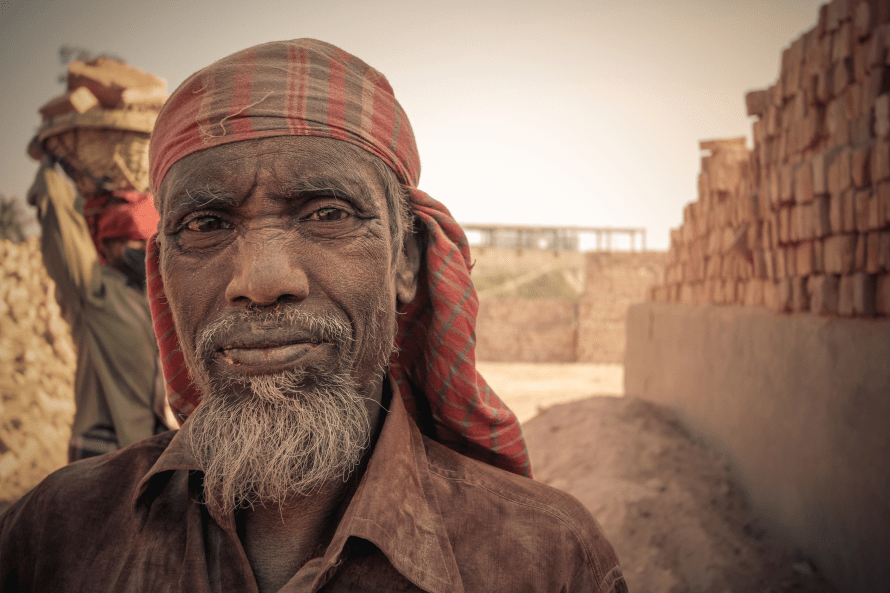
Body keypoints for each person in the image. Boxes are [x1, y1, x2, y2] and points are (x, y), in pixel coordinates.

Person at [1, 39, 627, 592]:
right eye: (206, 224)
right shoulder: (53, 534)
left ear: (406, 259)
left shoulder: (546, 561)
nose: (262, 282)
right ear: (163, 272)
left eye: (328, 214)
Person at [26, 152, 170, 461]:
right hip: (102, 453)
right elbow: (60, 225)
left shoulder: (155, 299)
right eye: (132, 243)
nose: (143, 252)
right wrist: (51, 166)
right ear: (106, 245)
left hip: (150, 450)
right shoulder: (93, 292)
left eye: (148, 244)